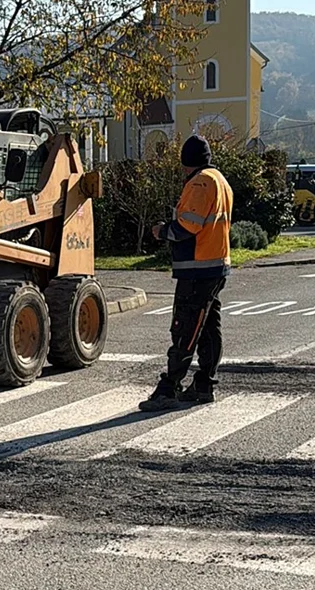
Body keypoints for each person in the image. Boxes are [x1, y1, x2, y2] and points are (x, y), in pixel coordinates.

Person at [138, 135, 233, 412]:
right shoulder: (221, 180)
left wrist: (162, 231)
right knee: (208, 328)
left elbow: (188, 226)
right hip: (216, 265)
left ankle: (169, 388)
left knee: (185, 328)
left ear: (186, 161)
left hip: (196, 268)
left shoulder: (200, 182)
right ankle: (204, 384)